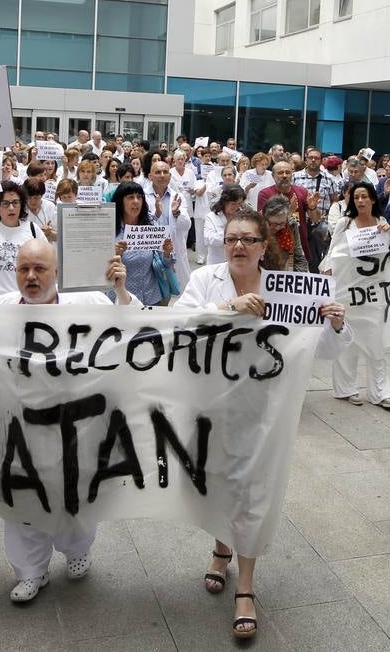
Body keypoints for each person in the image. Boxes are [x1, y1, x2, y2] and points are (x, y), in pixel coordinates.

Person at [176, 207, 351, 639]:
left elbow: (324, 350)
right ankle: (221, 548)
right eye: (232, 238)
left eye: (248, 240)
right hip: (212, 403)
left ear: (262, 246)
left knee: (255, 490)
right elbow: (179, 325)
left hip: (265, 409)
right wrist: (227, 307)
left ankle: (247, 587)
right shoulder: (205, 280)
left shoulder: (289, 290)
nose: (238, 246)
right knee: (216, 480)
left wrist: (335, 322)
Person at [0, 238, 134, 603]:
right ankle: (30, 571)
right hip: (17, 430)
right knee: (21, 500)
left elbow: (132, 329)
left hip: (76, 428)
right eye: (23, 269)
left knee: (76, 496)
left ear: (58, 272)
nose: (31, 276)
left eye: (40, 269)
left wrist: (121, 291)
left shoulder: (89, 304)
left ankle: (77, 549)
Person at [326, 182, 390, 410]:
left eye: (365, 196)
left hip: (373, 294)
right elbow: (332, 254)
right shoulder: (344, 224)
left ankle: (381, 392)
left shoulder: (382, 225)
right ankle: (346, 389)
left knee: (376, 343)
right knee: (346, 342)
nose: (361, 201)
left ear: (373, 199)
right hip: (346, 292)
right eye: (356, 197)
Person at [0, 183, 44, 302]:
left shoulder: (33, 230)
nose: (11, 208)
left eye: (15, 202)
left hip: (25, 302)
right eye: (5, 203)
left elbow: (46, 263)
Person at [144, 159, 193, 291]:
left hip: (174, 246)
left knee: (182, 290)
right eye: (158, 172)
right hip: (151, 248)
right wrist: (157, 213)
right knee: (155, 289)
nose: (162, 175)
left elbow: (186, 225)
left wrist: (176, 212)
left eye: (165, 172)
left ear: (170, 176)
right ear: (150, 176)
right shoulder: (142, 196)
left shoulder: (178, 197)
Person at [260, 195, 308, 272]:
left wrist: (302, 277)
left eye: (282, 223)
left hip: (284, 273)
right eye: (274, 224)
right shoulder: (257, 227)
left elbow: (299, 257)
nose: (278, 228)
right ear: (264, 218)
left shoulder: (291, 225)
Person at [204, 185, 247, 266]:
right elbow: (208, 239)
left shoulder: (243, 216)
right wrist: (231, 234)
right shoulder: (211, 217)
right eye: (233, 204)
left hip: (237, 261)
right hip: (217, 262)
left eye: (239, 204)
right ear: (224, 202)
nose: (237, 207)